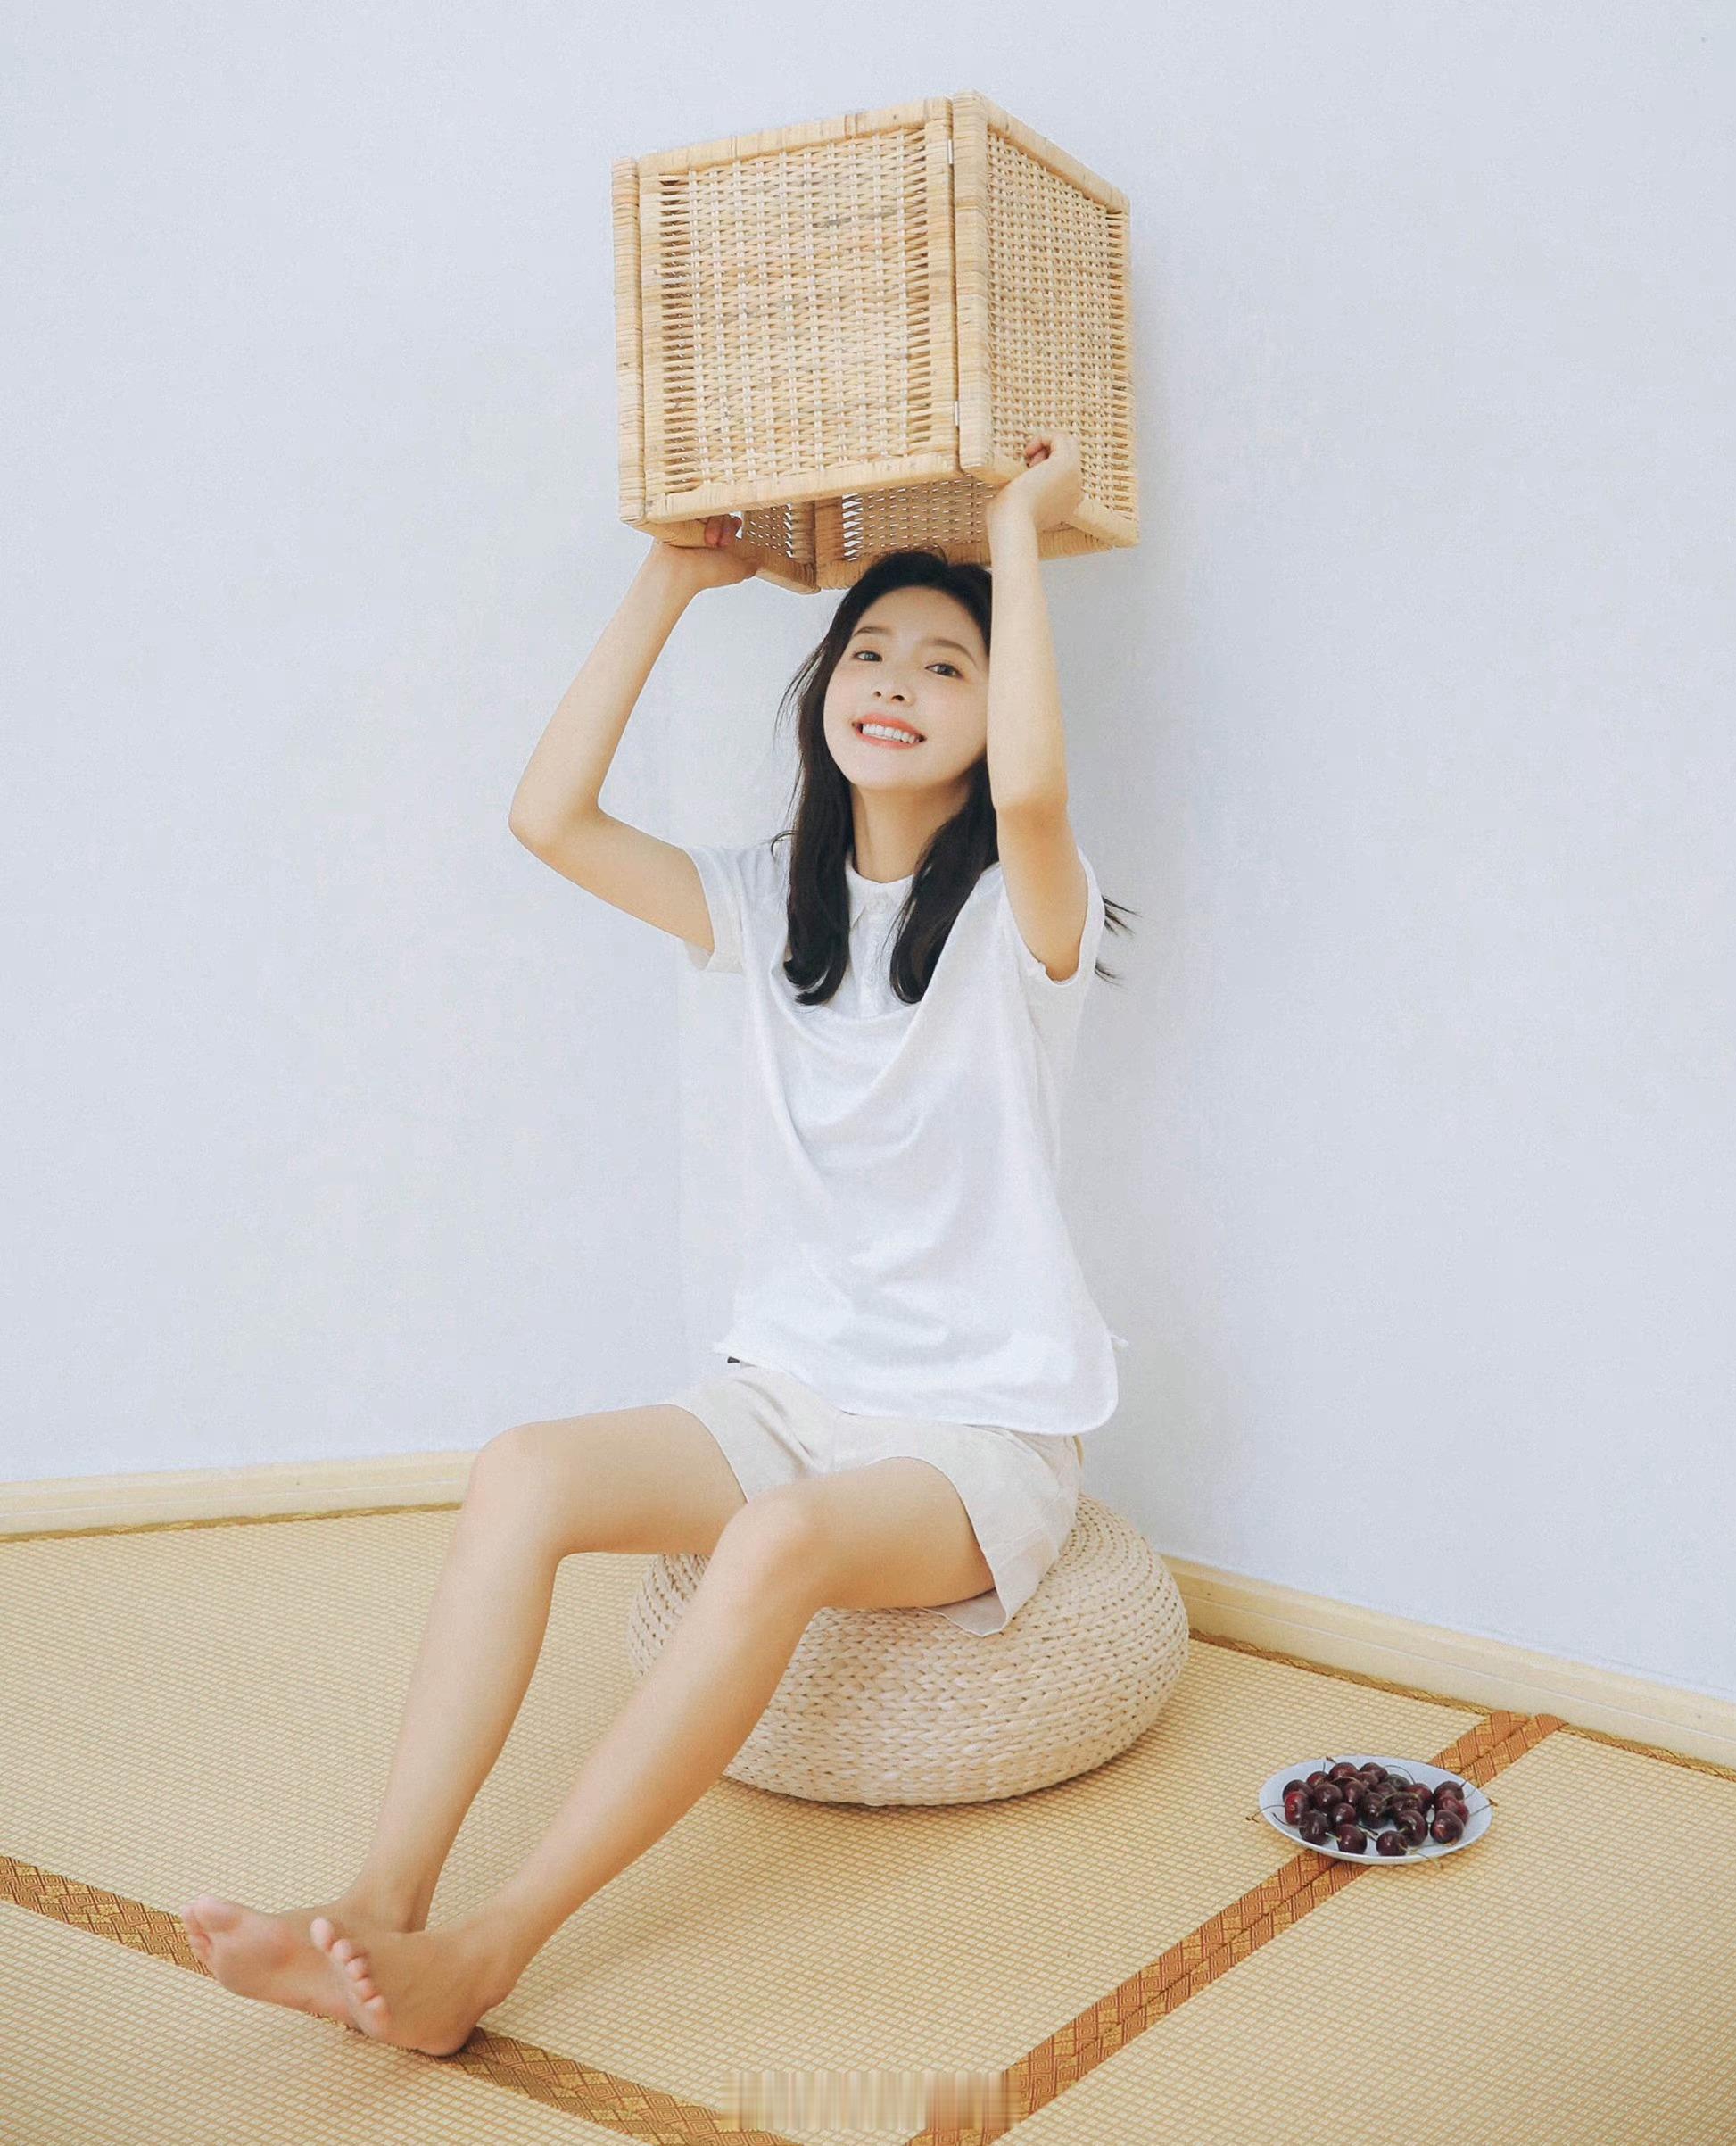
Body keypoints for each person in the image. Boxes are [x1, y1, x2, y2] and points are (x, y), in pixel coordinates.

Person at [181, 430, 1135, 2058]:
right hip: (789, 1393)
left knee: (770, 1547)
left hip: (973, 1435)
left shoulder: (1023, 913)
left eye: (948, 665)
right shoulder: (764, 904)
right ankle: (380, 1897)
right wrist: (670, 579)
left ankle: (489, 1951)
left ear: (993, 720)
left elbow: (1039, 791)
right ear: (824, 693)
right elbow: (548, 817)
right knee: (522, 1471)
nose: (897, 682)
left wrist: (1017, 530)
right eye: (872, 652)